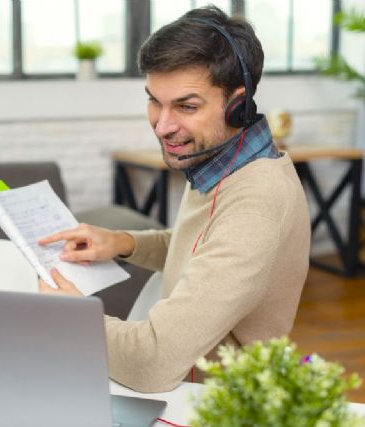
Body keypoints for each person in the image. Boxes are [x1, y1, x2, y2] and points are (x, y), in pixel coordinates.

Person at [39, 6, 310, 393]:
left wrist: (69, 315)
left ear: (238, 104)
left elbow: (151, 362)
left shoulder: (258, 202)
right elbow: (201, 250)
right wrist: (122, 242)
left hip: (207, 403)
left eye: (186, 106)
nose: (163, 126)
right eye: (155, 101)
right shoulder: (217, 160)